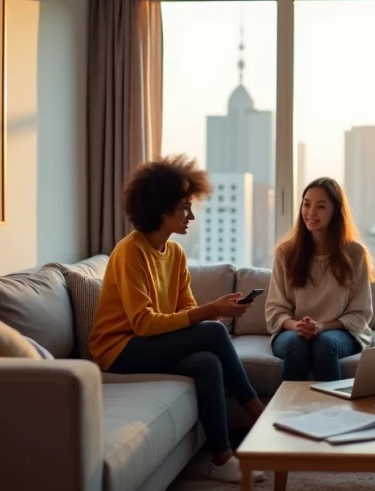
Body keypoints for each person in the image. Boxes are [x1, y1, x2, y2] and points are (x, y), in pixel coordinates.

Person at [87, 155, 265, 484]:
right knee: (211, 332)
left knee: (208, 362)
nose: (191, 215)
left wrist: (213, 313)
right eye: (184, 207)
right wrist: (212, 313)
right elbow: (142, 323)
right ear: (161, 207)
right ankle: (259, 413)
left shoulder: (176, 254)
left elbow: (186, 310)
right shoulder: (131, 252)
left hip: (150, 344)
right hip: (119, 350)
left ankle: (222, 457)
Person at [265, 177, 375, 381]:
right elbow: (275, 310)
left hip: (339, 332)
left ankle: (331, 412)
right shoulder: (286, 253)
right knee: (296, 345)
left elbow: (360, 313)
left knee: (324, 345)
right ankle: (289, 411)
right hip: (293, 331)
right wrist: (298, 326)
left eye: (321, 206)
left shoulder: (355, 253)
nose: (310, 213)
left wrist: (322, 327)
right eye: (306, 204)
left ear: (335, 211)